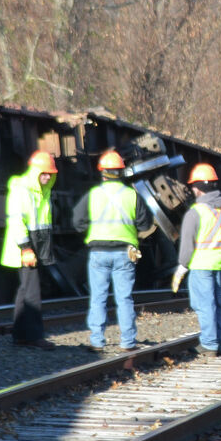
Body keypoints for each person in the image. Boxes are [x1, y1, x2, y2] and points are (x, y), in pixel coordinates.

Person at [72, 148, 155, 351]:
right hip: (125, 253)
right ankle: (128, 342)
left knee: (98, 297)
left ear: (102, 172)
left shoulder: (93, 195)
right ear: (121, 172)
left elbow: (77, 221)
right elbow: (146, 225)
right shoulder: (132, 196)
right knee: (124, 298)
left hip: (98, 252)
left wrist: (91, 231)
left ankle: (97, 342)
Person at [170, 162, 221, 355]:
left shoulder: (195, 212)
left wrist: (181, 268)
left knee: (204, 304)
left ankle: (209, 344)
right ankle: (220, 343)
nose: (192, 189)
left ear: (198, 188)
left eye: (193, 186)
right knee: (215, 304)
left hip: (201, 265)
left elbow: (187, 244)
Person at [1, 148, 58, 347]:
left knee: (25, 291)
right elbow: (17, 221)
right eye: (43, 173)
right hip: (24, 248)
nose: (47, 176)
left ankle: (21, 335)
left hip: (34, 246)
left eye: (50, 173)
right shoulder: (22, 190)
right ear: (35, 172)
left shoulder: (42, 192)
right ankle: (33, 336)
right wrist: (26, 248)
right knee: (32, 293)